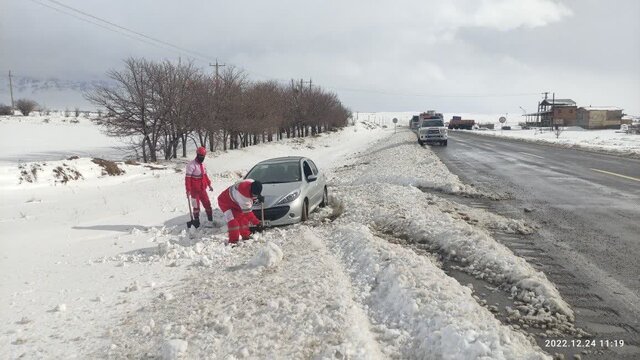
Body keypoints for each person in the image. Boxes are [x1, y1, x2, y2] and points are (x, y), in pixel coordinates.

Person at [217, 179, 264, 244]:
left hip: (236, 203)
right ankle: (233, 241)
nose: (254, 196)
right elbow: (248, 213)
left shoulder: (251, 182)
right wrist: (257, 223)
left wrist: (259, 196)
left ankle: (246, 236)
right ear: (251, 190)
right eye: (254, 194)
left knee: (243, 219)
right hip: (225, 202)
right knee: (233, 223)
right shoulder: (243, 197)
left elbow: (252, 195)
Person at [185, 146, 213, 228]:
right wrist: (188, 190)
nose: (202, 158)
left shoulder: (203, 165)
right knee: (196, 206)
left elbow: (205, 176)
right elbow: (188, 179)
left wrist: (209, 184)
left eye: (203, 156)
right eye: (200, 156)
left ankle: (210, 219)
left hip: (202, 189)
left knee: (207, 204)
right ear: (197, 155)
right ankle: (196, 221)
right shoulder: (191, 165)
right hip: (194, 191)